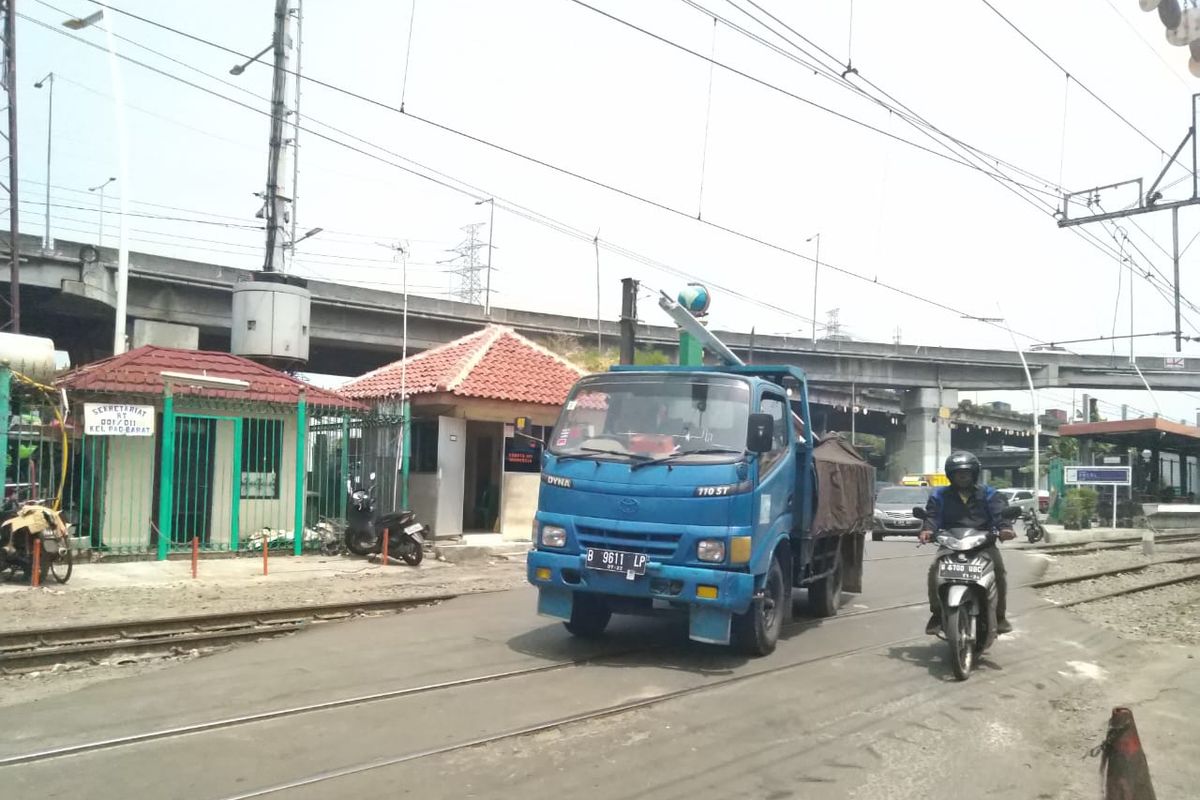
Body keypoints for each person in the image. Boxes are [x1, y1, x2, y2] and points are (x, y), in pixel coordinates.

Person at [919, 451, 1016, 636]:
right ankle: (937, 614)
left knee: (999, 572)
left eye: (966, 472)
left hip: (983, 545)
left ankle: (1000, 617)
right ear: (950, 475)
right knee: (934, 572)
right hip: (950, 543)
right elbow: (932, 516)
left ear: (974, 473)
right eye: (957, 472)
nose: (962, 475)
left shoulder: (988, 493)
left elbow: (999, 514)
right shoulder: (940, 495)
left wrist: (1006, 529)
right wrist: (927, 530)